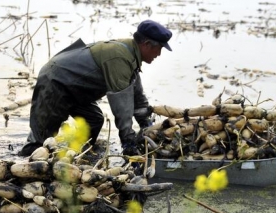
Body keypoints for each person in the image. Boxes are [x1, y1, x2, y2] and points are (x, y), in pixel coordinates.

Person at [18, 19, 172, 157]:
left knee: (94, 120)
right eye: (159, 48)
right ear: (146, 45)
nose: (159, 54)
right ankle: (26, 163)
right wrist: (128, 141)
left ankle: (75, 155)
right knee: (39, 142)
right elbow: (122, 109)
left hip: (76, 88)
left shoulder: (131, 56)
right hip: (56, 82)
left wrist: (148, 127)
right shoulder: (120, 57)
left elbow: (138, 99)